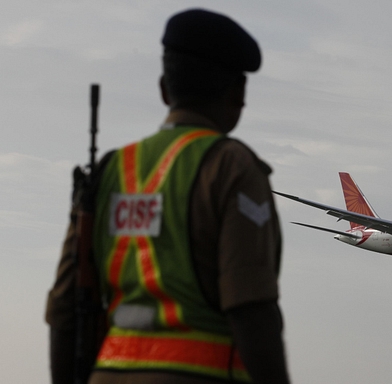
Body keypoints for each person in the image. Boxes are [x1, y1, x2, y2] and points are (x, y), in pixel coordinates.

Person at [46, 9, 290, 384]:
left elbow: (65, 310)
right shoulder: (231, 168)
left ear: (163, 88)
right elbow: (250, 309)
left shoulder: (110, 170)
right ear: (238, 94)